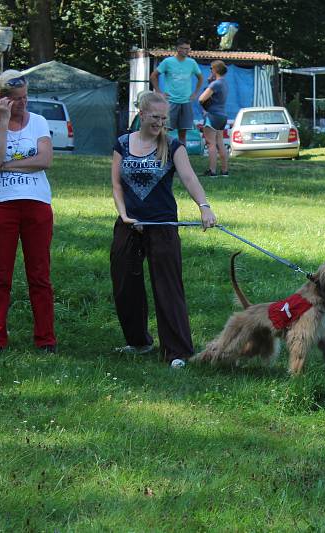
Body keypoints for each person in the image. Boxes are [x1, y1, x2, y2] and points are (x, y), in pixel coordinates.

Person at [110, 90, 217, 367]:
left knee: (168, 288)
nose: (159, 122)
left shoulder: (172, 146)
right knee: (125, 285)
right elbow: (117, 185)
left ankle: (178, 352)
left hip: (163, 225)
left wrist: (204, 206)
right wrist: (123, 215)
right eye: (154, 117)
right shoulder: (122, 143)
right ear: (141, 114)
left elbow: (189, 177)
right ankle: (138, 342)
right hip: (129, 225)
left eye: (163, 118)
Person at [0, 70, 57, 357]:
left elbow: (45, 160)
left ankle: (45, 339)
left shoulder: (40, 122)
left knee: (39, 274)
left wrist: (5, 167)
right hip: (1, 206)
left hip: (36, 204)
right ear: (1, 99)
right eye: (17, 100)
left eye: (25, 98)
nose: (24, 104)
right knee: (0, 274)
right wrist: (4, 122)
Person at [149, 37, 203, 144]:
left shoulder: (192, 62)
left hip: (186, 102)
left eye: (188, 49)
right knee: (165, 130)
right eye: (184, 48)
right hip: (171, 101)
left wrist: (195, 93)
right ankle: (163, 154)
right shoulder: (168, 62)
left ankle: (181, 156)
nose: (186, 51)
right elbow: (153, 76)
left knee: (183, 133)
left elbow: (200, 78)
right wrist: (159, 92)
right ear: (178, 48)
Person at [198, 60, 229, 176]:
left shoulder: (215, 84)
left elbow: (201, 99)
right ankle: (225, 171)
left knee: (211, 144)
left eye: (211, 68)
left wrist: (209, 85)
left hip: (212, 115)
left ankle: (212, 171)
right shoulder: (224, 83)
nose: (210, 70)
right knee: (220, 143)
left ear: (215, 70)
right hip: (222, 116)